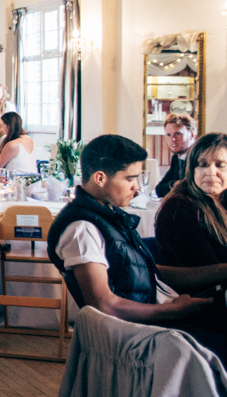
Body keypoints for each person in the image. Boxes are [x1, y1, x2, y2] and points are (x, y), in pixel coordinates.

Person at [46, 135, 227, 361]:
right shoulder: (81, 228)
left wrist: (221, 271)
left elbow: (150, 273)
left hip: (161, 319)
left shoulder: (109, 216)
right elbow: (104, 306)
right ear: (100, 178)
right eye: (131, 179)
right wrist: (175, 310)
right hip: (143, 334)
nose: (138, 188)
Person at [155, 133, 227, 272]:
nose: (211, 172)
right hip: (196, 291)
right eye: (202, 165)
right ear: (192, 170)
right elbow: (203, 269)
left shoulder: (222, 199)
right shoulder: (178, 208)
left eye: (220, 165)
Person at [156, 112, 197, 198]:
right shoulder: (176, 158)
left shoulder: (200, 158)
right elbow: (159, 189)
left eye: (178, 134)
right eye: (168, 135)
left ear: (192, 135)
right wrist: (174, 184)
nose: (172, 139)